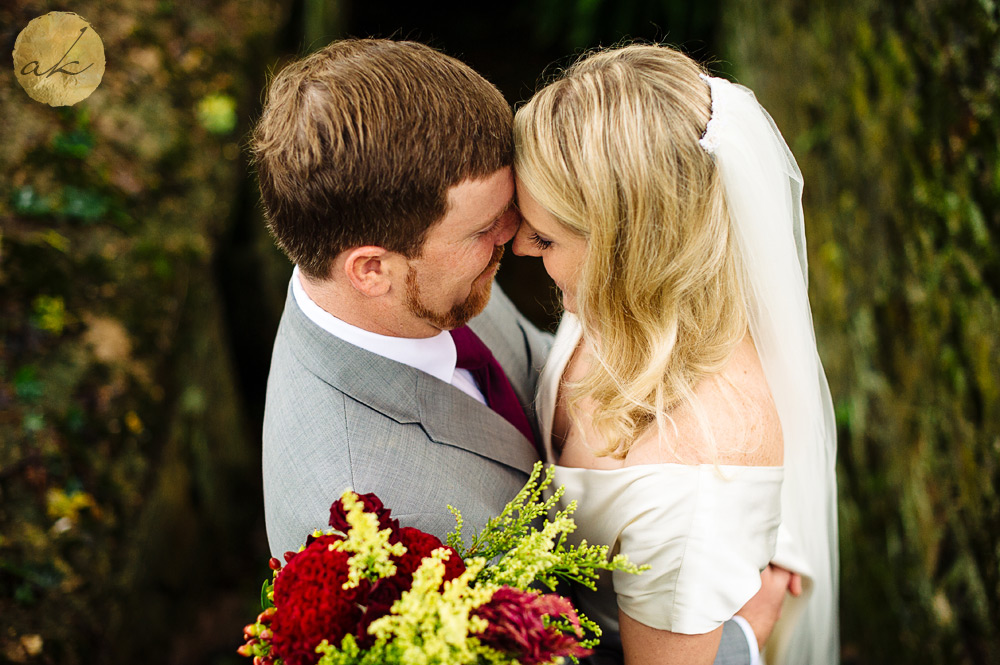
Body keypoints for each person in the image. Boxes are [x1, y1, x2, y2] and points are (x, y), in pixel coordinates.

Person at [252, 38, 781, 665]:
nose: (519, 238)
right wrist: (740, 642)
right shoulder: (357, 530)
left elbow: (531, 372)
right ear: (371, 270)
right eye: (486, 230)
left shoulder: (425, 281)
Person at [511, 44, 838, 665]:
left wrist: (745, 636)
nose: (521, 247)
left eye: (548, 236)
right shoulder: (622, 307)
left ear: (624, 248)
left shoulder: (694, 469)